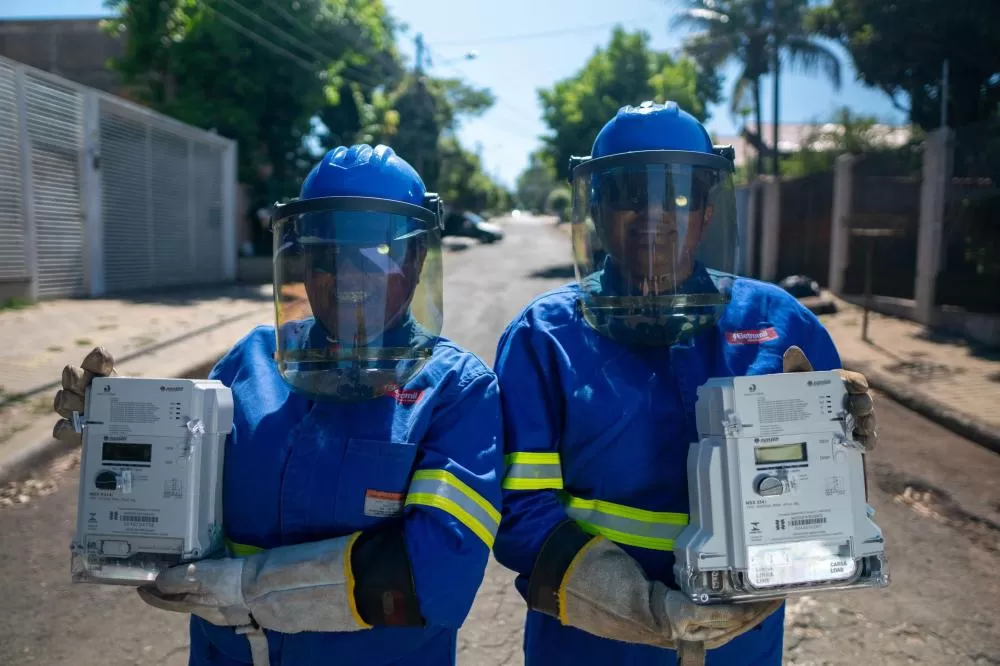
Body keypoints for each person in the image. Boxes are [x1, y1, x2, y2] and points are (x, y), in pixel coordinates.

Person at [52, 144, 504, 666]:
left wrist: (248, 589)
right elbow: (186, 499)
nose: (348, 275)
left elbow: (438, 574)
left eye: (374, 254)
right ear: (302, 262)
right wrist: (130, 426)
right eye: (326, 255)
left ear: (417, 258)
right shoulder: (252, 362)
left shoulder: (456, 391)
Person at [491, 101, 878, 665]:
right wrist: (637, 606)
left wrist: (838, 444)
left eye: (679, 196)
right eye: (628, 193)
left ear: (707, 211)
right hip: (592, 645)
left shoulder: (781, 324)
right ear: (595, 208)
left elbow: (825, 502)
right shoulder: (545, 338)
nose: (654, 215)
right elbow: (518, 509)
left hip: (739, 646)